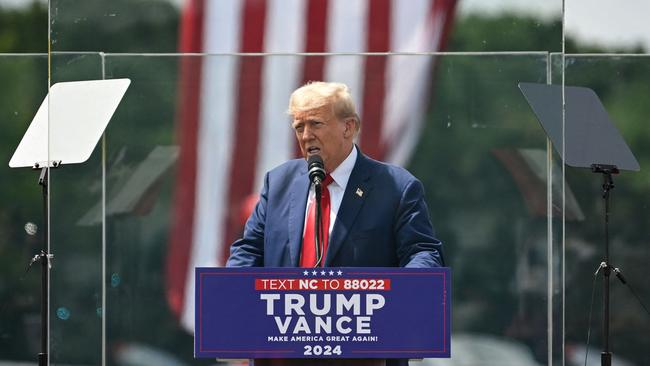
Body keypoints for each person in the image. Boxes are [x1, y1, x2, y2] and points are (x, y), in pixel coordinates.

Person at [227, 80, 443, 269]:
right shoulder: (278, 183)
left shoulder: (395, 187)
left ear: (349, 127)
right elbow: (249, 251)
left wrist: (405, 290)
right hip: (285, 315)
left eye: (315, 124)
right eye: (299, 127)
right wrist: (231, 289)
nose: (306, 136)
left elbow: (422, 252)